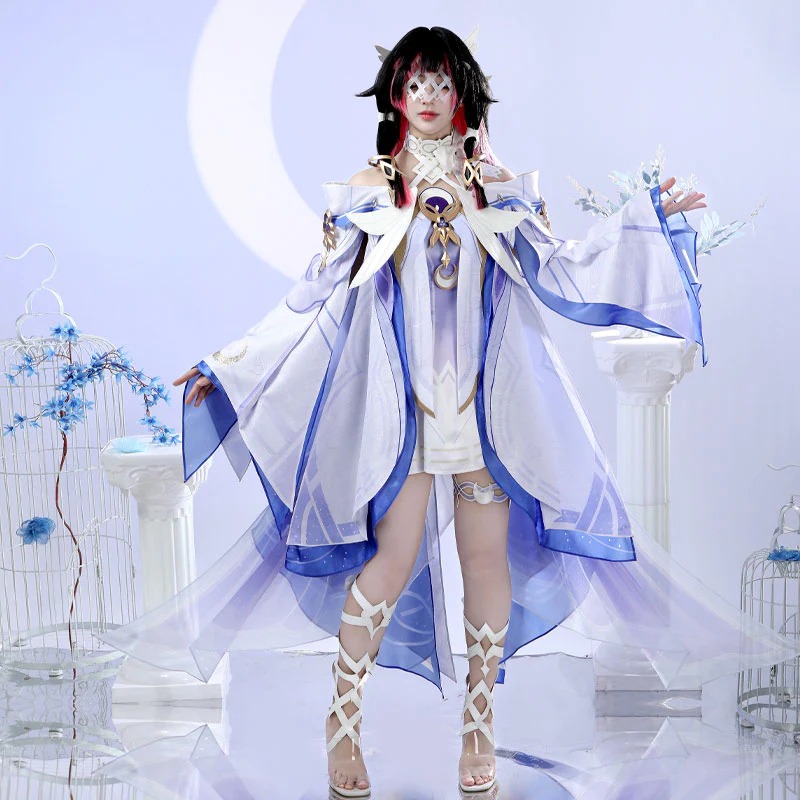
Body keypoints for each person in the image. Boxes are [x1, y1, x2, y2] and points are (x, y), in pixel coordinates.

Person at [99, 26, 800, 798]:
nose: (428, 96)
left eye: (441, 82)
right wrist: (226, 364)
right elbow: (312, 293)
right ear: (395, 95)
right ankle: (342, 720)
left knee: (485, 562)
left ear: (462, 91)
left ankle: (479, 724)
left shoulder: (495, 183)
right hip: (398, 412)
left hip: (486, 409)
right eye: (414, 82)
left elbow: (563, 264)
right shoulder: (370, 187)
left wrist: (646, 221)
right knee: (389, 560)